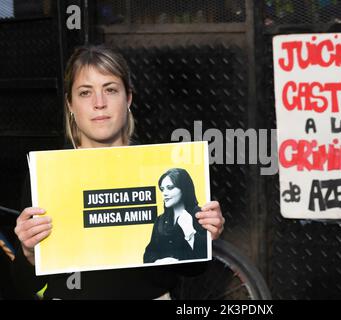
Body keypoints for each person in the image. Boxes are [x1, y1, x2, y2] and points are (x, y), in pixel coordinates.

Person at [11, 45, 225, 299]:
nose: (99, 103)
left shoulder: (162, 169)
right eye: (85, 92)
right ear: (70, 103)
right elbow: (22, 287)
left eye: (110, 90)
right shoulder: (47, 176)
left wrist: (203, 237)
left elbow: (192, 269)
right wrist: (28, 253)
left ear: (128, 98)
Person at [144, 168, 207, 263]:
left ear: (184, 188)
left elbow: (205, 254)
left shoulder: (200, 215)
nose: (164, 193)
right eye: (162, 189)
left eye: (170, 187)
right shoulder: (160, 220)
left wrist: (190, 232)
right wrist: (158, 262)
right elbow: (148, 254)